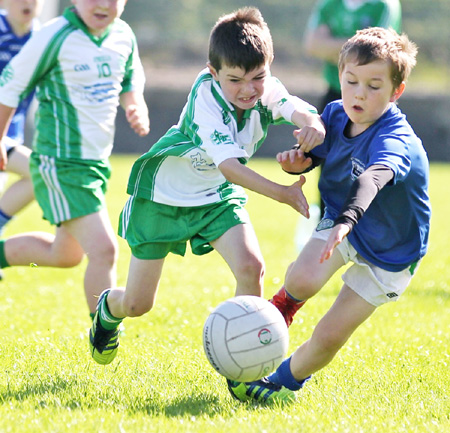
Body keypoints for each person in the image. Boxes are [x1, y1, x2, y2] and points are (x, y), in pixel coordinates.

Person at [88, 6, 325, 384]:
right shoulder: (206, 100)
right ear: (214, 74)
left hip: (215, 198)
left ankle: (244, 375)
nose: (248, 89)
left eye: (257, 77)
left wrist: (313, 126)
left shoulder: (264, 86)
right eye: (235, 80)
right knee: (137, 304)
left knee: (252, 267)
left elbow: (295, 108)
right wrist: (281, 192)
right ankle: (108, 309)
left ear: (268, 66)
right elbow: (231, 167)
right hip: (163, 198)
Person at [228, 27, 431, 403]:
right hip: (342, 219)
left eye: (374, 85)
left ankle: (282, 381)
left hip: (390, 252)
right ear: (339, 77)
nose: (359, 93)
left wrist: (345, 223)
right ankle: (277, 315)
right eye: (351, 81)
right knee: (302, 278)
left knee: (329, 335)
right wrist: (297, 163)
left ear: (395, 91)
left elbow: (371, 178)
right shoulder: (336, 114)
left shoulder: (396, 141)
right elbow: (323, 155)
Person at [0, 0, 150, 317]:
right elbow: (9, 86)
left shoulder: (123, 34)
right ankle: (104, 329)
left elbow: (129, 78)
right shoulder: (55, 36)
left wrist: (135, 105)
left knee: (66, 254)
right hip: (59, 162)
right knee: (104, 251)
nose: (104, 4)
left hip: (94, 165)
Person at [303, 0, 402, 219]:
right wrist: (355, 49)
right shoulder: (330, 4)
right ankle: (327, 224)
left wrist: (332, 45)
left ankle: (368, 224)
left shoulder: (383, 5)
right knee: (329, 163)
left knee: (370, 164)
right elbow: (312, 44)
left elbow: (377, 53)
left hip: (374, 99)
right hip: (334, 93)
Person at [0, 0, 43, 238]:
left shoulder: (44, 38)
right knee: (40, 172)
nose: (27, 3)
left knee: (40, 175)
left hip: (10, 135)